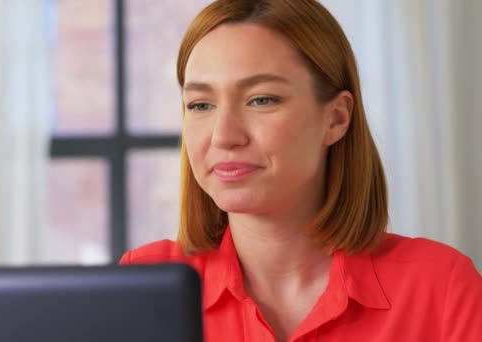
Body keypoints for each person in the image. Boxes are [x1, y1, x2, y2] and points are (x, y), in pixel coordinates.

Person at [119, 0, 482, 341]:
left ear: (336, 118)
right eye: (200, 104)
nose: (224, 136)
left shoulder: (441, 287)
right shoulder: (141, 282)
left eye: (262, 100)